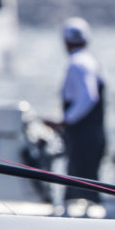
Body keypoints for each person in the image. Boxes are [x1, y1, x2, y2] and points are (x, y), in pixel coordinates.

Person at [45, 17, 106, 202]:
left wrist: (65, 120)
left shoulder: (78, 64)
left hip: (83, 139)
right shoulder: (90, 61)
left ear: (65, 41)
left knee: (81, 192)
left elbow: (89, 97)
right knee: (83, 187)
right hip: (91, 136)